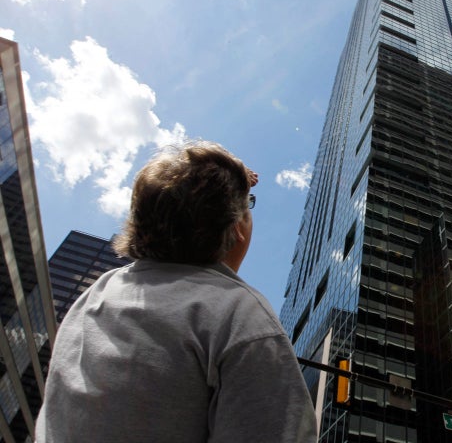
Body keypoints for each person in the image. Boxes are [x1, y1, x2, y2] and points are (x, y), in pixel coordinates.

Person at [35, 141, 317, 443]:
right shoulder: (237, 311)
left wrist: (225, 185)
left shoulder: (100, 293)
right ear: (236, 227)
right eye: (249, 207)